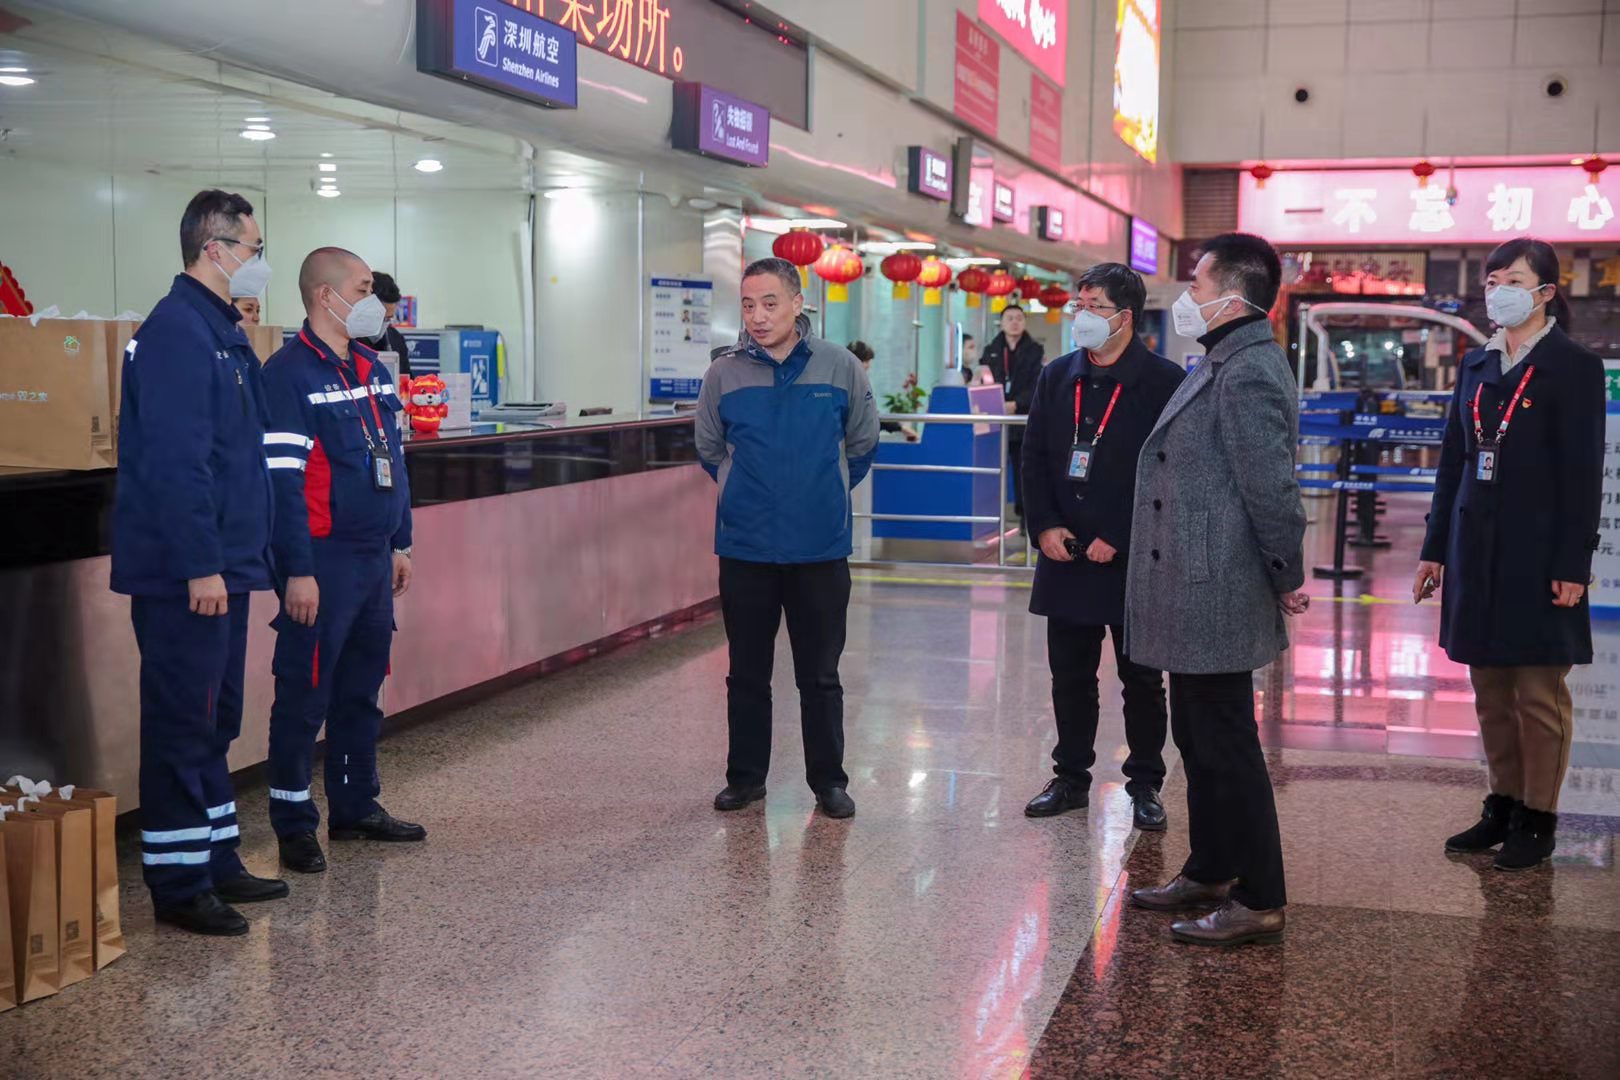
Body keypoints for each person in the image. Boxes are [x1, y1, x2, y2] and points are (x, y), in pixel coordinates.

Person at [110, 189, 288, 936]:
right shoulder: (178, 332)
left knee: (216, 718)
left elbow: (237, 457)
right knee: (183, 722)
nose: (259, 261)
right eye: (252, 248)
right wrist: (199, 565)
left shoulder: (222, 331)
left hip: (229, 564)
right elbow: (177, 465)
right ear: (214, 249)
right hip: (190, 573)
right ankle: (179, 883)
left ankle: (216, 858)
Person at [1124, 232, 1309, 947]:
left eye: (1197, 283)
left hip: (1217, 582)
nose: (1187, 295)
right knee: (1197, 737)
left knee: (1228, 743)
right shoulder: (1221, 358)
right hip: (1193, 583)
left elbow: (1272, 488)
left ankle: (1260, 895)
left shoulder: (1250, 368)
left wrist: (1285, 571)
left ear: (1233, 296)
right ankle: (1210, 867)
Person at [1417, 236, 1603, 872]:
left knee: (1537, 694)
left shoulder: (1573, 366)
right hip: (1475, 548)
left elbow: (1582, 474)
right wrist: (1435, 549)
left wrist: (1573, 565)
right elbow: (1452, 463)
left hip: (1539, 553)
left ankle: (1538, 818)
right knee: (1490, 689)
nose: (1499, 291)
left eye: (1514, 280)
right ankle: (1501, 804)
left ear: (1546, 292)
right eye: (1492, 281)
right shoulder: (1477, 364)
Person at [695, 257, 879, 819]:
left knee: (820, 675)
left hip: (819, 549)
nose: (757, 316)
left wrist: (820, 492)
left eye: (769, 303)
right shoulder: (723, 373)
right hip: (746, 548)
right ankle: (746, 778)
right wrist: (746, 494)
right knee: (746, 673)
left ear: (798, 304)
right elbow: (709, 448)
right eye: (748, 305)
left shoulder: (839, 366)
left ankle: (829, 782)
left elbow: (862, 444)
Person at [260, 248, 422, 875]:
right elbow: (282, 484)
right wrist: (297, 570)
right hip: (321, 563)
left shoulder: (372, 367)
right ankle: (294, 825)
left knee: (361, 690)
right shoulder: (287, 375)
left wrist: (400, 542)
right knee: (304, 696)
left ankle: (355, 807)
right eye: (363, 289)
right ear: (326, 297)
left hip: (372, 559)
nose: (374, 302)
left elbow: (394, 460)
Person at [1021, 264, 1184, 831]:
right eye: (1079, 305)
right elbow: (1034, 455)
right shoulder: (1057, 375)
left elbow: (1168, 471)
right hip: (1064, 552)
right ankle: (1070, 777)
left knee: (1142, 679)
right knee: (1070, 676)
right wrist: (1045, 526)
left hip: (1133, 556)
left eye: (1095, 306)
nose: (1082, 316)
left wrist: (1119, 533)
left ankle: (1145, 783)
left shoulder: (1163, 381)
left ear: (1125, 317)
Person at [980, 305, 1044, 526]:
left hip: (1022, 418)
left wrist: (1017, 404)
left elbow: (1037, 383)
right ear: (1002, 322)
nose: (1014, 322)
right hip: (996, 418)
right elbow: (985, 380)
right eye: (1010, 318)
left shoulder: (1035, 350)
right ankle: (990, 517)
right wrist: (997, 403)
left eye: (1019, 318)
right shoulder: (991, 350)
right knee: (992, 467)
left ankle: (1025, 516)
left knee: (1023, 469)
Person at [364, 270, 413, 378]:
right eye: (380, 318)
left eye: (388, 318)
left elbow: (406, 379)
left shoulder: (396, 339)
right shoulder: (347, 341)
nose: (384, 323)